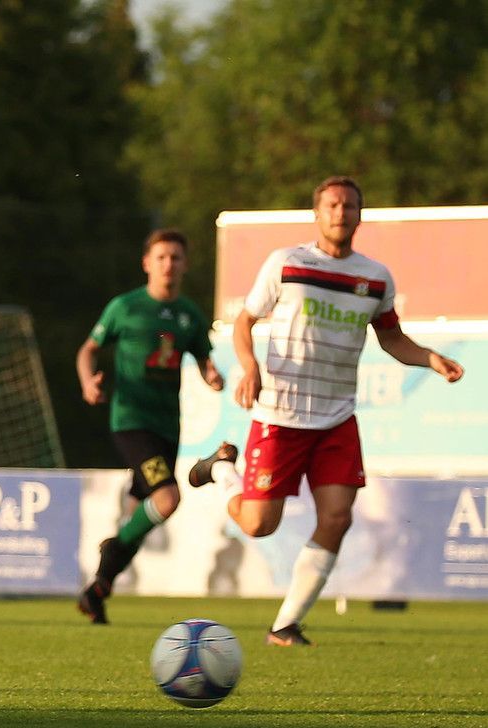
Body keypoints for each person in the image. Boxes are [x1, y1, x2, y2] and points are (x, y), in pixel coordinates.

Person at [188, 176, 464, 646]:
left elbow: (392, 338)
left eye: (349, 205)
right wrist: (250, 366)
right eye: (332, 205)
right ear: (317, 213)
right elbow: (244, 321)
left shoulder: (375, 278)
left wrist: (430, 358)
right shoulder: (287, 263)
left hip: (336, 417)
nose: (340, 212)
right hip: (280, 415)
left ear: (360, 215)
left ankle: (285, 625)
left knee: (337, 517)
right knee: (258, 524)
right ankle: (221, 469)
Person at [75, 228, 224, 624]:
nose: (168, 264)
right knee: (167, 498)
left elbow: (204, 359)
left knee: (140, 515)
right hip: (131, 421)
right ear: (146, 263)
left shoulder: (189, 315)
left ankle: (97, 590)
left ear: (185, 264)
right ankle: (111, 551)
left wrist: (212, 375)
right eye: (161, 257)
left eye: (176, 257)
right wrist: (88, 382)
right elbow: (88, 350)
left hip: (167, 426)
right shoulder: (126, 307)